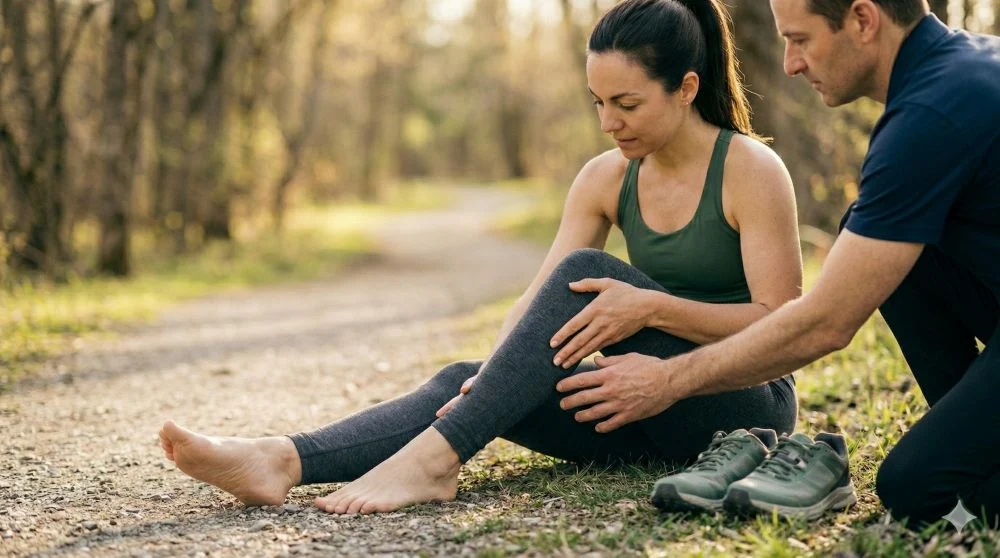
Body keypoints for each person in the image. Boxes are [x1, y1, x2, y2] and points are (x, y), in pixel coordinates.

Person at [158, 0, 803, 515]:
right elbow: (540, 298)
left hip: (742, 407)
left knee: (584, 275)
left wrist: (651, 310)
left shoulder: (750, 170)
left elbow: (785, 323)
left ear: (686, 87)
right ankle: (282, 459)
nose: (609, 122)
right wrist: (496, 375)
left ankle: (435, 462)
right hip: (638, 408)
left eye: (627, 104)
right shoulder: (606, 177)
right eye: (598, 102)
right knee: (460, 379)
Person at [568, 0, 999, 529]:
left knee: (914, 487)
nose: (791, 63)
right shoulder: (959, 73)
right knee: (873, 235)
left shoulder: (932, 114)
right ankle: (968, 435)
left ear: (863, 20)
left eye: (800, 40)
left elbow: (826, 322)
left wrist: (669, 381)